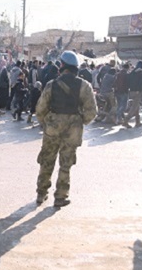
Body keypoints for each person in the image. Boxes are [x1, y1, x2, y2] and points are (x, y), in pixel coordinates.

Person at [35, 51, 97, 207]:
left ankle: (41, 193)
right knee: (66, 164)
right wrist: (78, 121)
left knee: (47, 161)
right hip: (73, 130)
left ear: (61, 66)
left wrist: (47, 123)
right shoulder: (85, 86)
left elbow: (40, 109)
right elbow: (92, 112)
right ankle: (60, 197)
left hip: (53, 128)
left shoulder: (51, 84)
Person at [124, 61, 142, 128]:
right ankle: (126, 121)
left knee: (137, 106)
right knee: (134, 107)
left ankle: (137, 122)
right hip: (138, 92)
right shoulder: (141, 73)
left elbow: (128, 80)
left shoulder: (132, 72)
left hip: (131, 91)